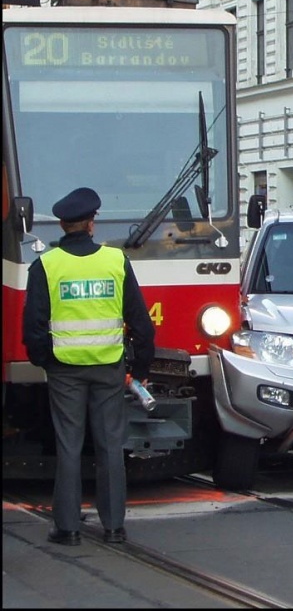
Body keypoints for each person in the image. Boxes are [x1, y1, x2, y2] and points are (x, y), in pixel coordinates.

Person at [22, 187, 155, 546]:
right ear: (92, 223)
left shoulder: (46, 265)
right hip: (109, 367)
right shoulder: (115, 261)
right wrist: (140, 368)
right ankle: (114, 527)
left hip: (64, 369)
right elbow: (141, 322)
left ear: (63, 225)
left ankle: (67, 528)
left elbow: (33, 325)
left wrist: (44, 360)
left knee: (69, 444)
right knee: (111, 444)